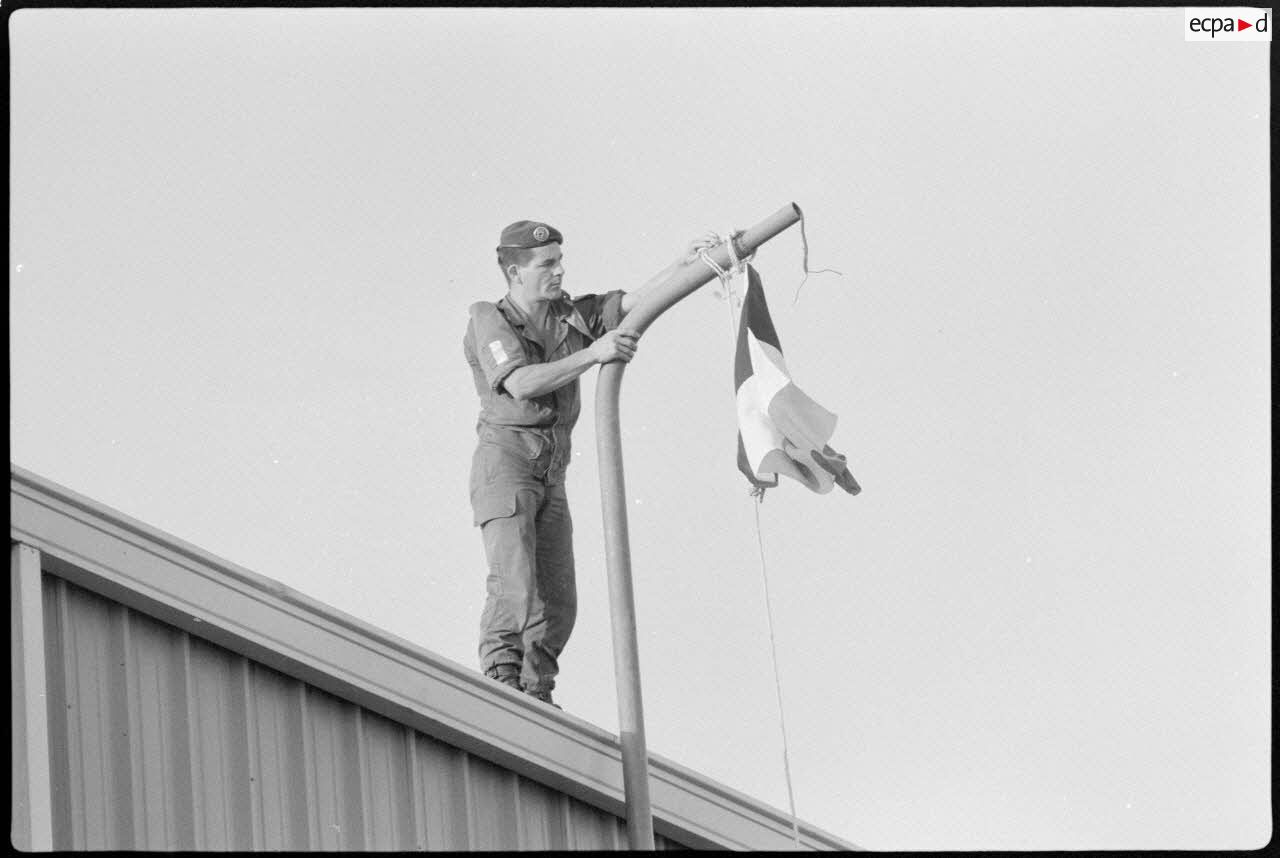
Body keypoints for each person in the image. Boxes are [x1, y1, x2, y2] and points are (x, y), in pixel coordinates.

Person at [464, 220, 717, 707]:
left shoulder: (568, 316)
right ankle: (500, 684)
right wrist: (594, 355)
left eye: (560, 260)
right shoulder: (488, 319)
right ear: (515, 272)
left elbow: (628, 305)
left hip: (551, 472)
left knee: (558, 601)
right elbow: (519, 383)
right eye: (547, 264)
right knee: (513, 584)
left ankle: (536, 694)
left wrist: (683, 264)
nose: (558, 271)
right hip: (508, 465)